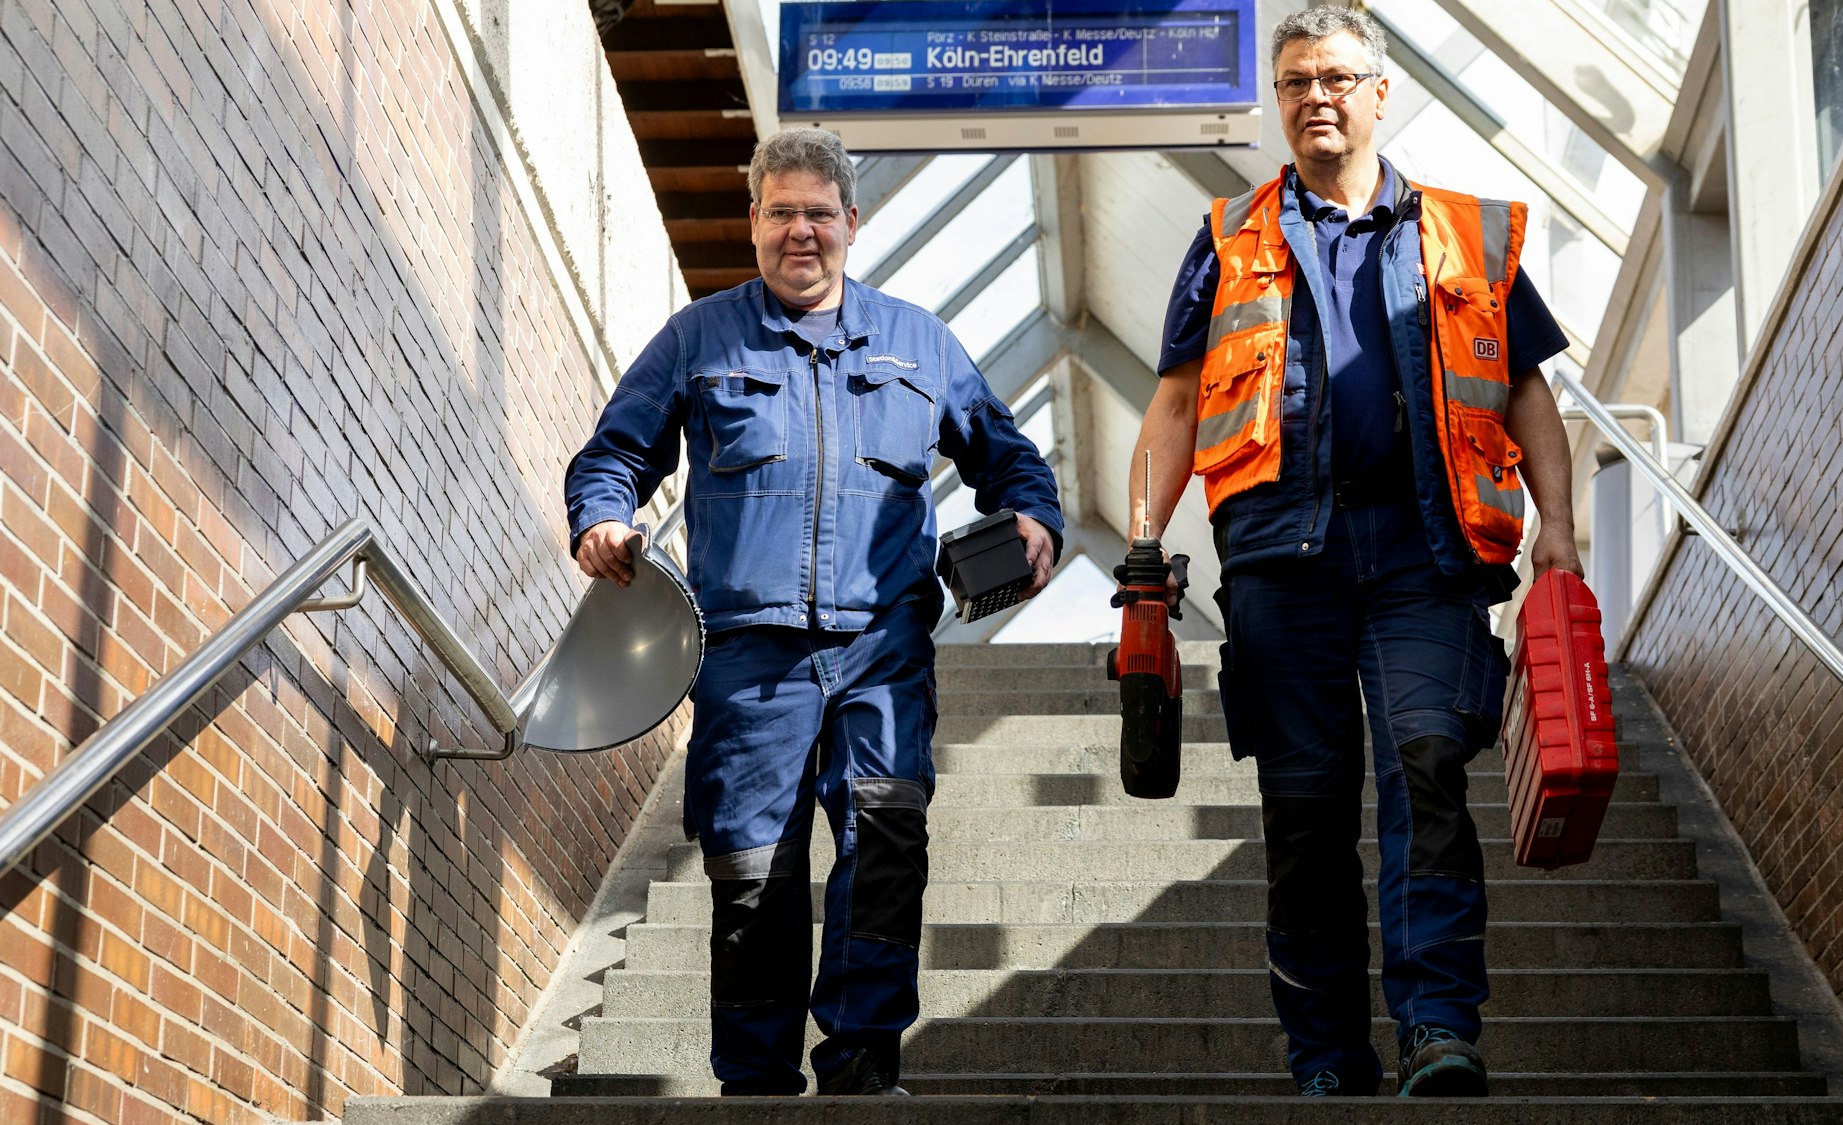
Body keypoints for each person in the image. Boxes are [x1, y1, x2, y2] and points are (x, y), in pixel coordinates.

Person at [1126, 7, 1583, 1099]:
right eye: (1294, 82)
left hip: (1425, 548)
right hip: (1281, 559)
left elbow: (1526, 390)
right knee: (1305, 810)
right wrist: (1142, 547)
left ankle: (1436, 1025)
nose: (1314, 97)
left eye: (1335, 77)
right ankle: (1327, 1053)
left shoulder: (1464, 234)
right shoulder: (1228, 236)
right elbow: (1178, 400)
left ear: (1382, 93)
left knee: (1427, 766)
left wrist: (1559, 530)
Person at [564, 128, 1063, 1097]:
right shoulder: (699, 338)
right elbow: (615, 453)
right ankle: (756, 1084)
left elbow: (1008, 456)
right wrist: (603, 518)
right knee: (753, 867)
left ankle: (862, 1065)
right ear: (753, 220)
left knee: (887, 841)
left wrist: (1033, 519)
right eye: (782, 212)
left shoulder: (921, 343)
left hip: (884, 643)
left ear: (852, 222)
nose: (801, 231)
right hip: (747, 653)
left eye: (819, 214)